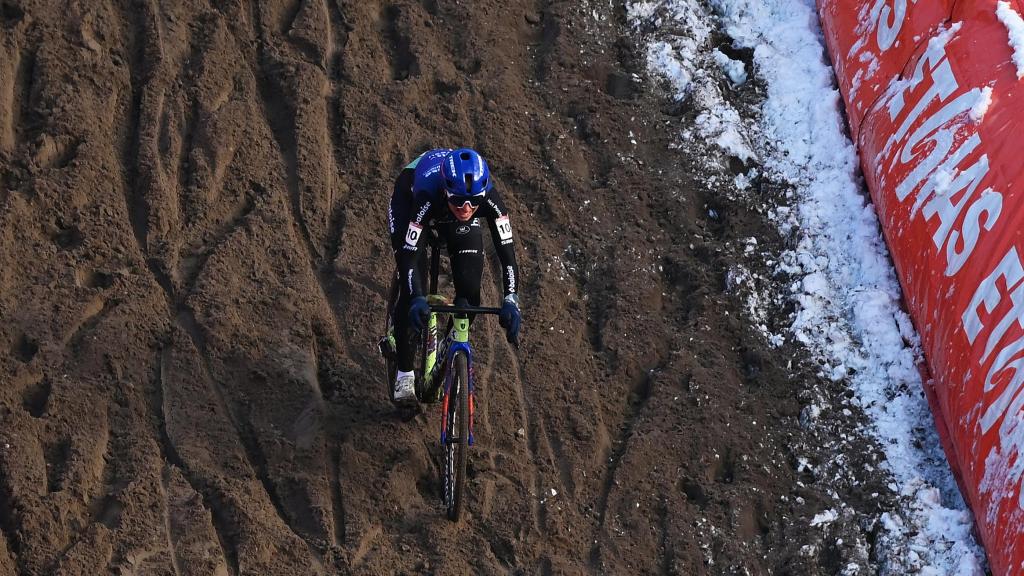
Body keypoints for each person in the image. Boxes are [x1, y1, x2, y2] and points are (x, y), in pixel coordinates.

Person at [386, 148, 522, 404]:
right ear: (448, 191)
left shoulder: (489, 198)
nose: (466, 208)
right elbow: (409, 257)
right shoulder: (427, 194)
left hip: (447, 208)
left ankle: (447, 357)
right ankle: (404, 373)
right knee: (413, 286)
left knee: (469, 294)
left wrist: (511, 299)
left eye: (474, 201)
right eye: (459, 200)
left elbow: (507, 253)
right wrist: (417, 296)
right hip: (411, 200)